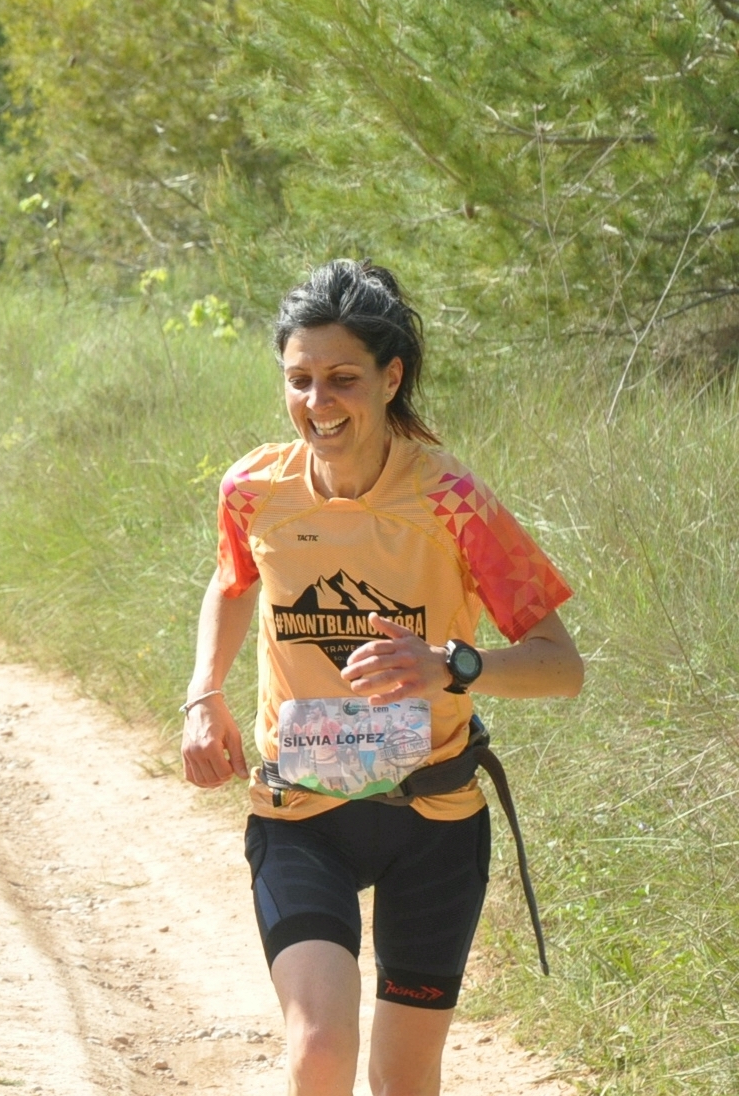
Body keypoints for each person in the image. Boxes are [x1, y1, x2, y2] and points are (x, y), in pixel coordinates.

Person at [181, 260, 585, 1096]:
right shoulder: (253, 490)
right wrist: (203, 694)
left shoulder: (453, 501)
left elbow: (561, 666)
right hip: (301, 814)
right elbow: (232, 583)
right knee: (320, 1050)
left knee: (403, 1079)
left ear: (390, 377)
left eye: (343, 379)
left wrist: (451, 668)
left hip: (432, 818)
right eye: (299, 380)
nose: (318, 403)